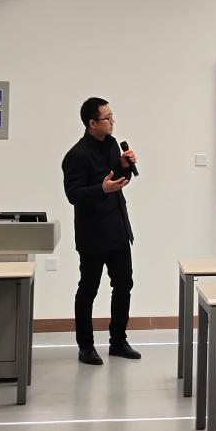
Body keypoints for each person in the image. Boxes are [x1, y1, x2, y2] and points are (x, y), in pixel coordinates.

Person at [62, 97, 140, 365]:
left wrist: (125, 167)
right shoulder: (76, 155)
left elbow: (118, 181)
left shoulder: (112, 144)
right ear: (92, 123)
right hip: (92, 233)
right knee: (88, 289)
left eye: (112, 116)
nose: (112, 121)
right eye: (107, 118)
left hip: (117, 227)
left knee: (124, 284)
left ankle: (118, 341)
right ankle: (85, 347)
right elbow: (73, 194)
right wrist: (101, 189)